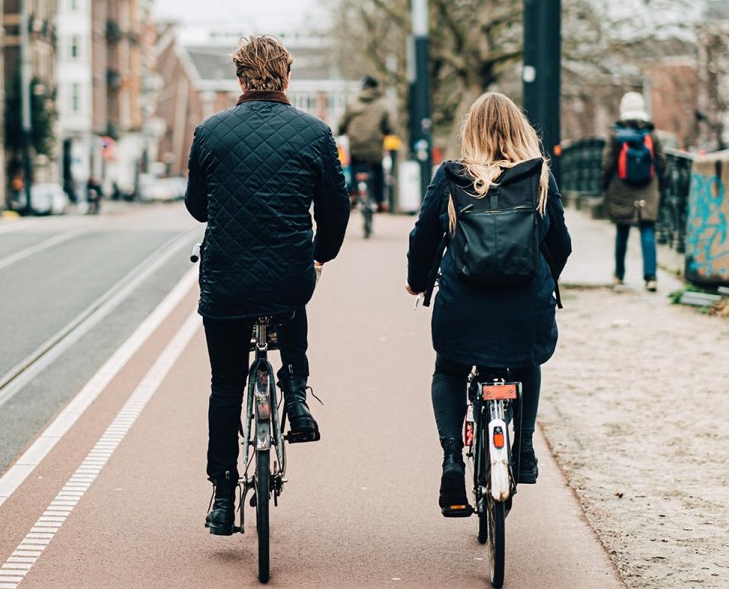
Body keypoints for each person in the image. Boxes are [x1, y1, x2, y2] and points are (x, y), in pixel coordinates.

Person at [184, 35, 350, 536]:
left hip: (227, 279)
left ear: (239, 79)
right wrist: (321, 255)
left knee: (224, 385)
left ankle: (221, 492)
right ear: (287, 77)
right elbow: (336, 210)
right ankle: (296, 394)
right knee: (291, 300)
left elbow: (197, 207)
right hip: (288, 272)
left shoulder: (210, 132)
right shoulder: (316, 133)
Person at [405, 93, 572, 515]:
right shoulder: (538, 178)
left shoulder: (451, 177)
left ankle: (450, 462)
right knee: (527, 360)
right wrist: (544, 279)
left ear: (471, 133)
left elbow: (423, 239)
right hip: (524, 310)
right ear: (521, 130)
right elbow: (562, 246)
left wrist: (416, 283)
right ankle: (525, 450)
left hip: (464, 308)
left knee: (449, 370)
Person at [602, 91, 667, 292]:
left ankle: (619, 274)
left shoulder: (616, 133)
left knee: (622, 229)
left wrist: (605, 184)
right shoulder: (650, 132)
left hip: (621, 186)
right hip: (647, 186)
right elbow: (661, 161)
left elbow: (608, 162)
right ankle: (651, 277)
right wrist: (661, 183)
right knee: (647, 229)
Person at [338, 75, 395, 212]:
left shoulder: (352, 103)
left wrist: (340, 131)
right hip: (374, 148)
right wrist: (386, 132)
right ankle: (381, 200)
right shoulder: (383, 105)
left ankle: (353, 193)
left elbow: (342, 124)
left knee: (352, 165)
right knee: (378, 169)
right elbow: (390, 126)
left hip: (356, 146)